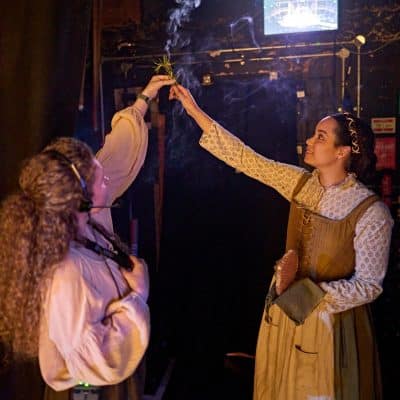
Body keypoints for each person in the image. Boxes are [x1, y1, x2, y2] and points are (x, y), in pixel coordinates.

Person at [169, 84, 393, 400]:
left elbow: (369, 286)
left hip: (331, 326)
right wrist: (193, 111)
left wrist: (302, 293)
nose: (310, 141)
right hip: (286, 316)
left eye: (320, 137)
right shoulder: (300, 183)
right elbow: (246, 159)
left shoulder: (371, 211)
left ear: (342, 152)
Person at [0, 75, 175, 400]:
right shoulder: (65, 270)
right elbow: (93, 362)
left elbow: (117, 155)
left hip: (113, 380)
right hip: (92, 390)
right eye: (99, 178)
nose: (107, 178)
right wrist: (138, 294)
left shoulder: (88, 220)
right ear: (78, 198)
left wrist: (144, 99)